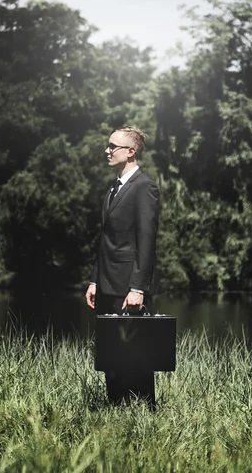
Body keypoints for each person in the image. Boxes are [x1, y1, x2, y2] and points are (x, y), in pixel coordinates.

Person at [85, 125, 160, 408]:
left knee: (136, 355)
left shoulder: (145, 187)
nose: (107, 150)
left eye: (112, 146)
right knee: (111, 355)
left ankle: (145, 412)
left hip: (128, 286)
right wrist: (94, 280)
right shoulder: (113, 188)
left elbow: (146, 243)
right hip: (106, 284)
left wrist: (137, 288)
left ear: (131, 152)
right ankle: (115, 409)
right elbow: (105, 240)